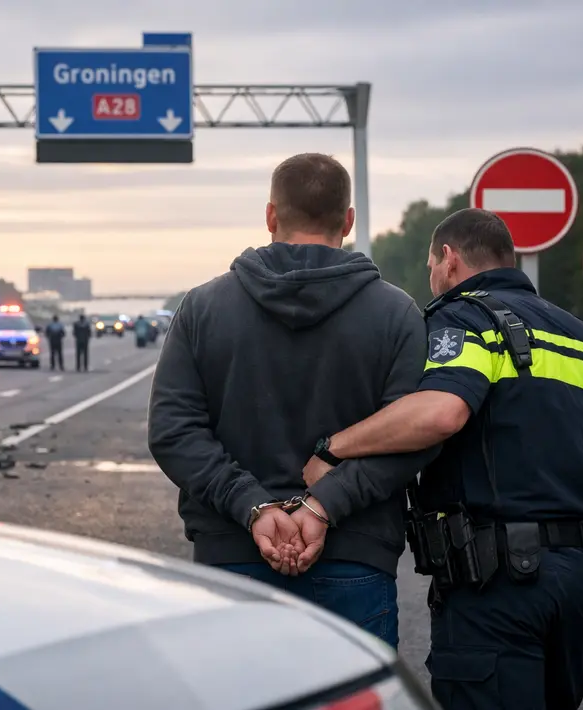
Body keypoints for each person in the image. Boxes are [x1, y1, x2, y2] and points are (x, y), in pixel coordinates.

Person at [305, 207, 583, 709]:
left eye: (431, 265)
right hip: (581, 581)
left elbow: (442, 412)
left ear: (449, 260)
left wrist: (333, 448)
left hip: (498, 583)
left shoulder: (466, 317)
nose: (432, 277)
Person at [147, 153, 438, 649]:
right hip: (354, 560)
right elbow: (413, 436)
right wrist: (324, 505)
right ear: (348, 221)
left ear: (270, 216)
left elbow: (174, 431)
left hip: (231, 559)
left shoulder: (202, 307)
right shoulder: (397, 314)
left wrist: (254, 507)